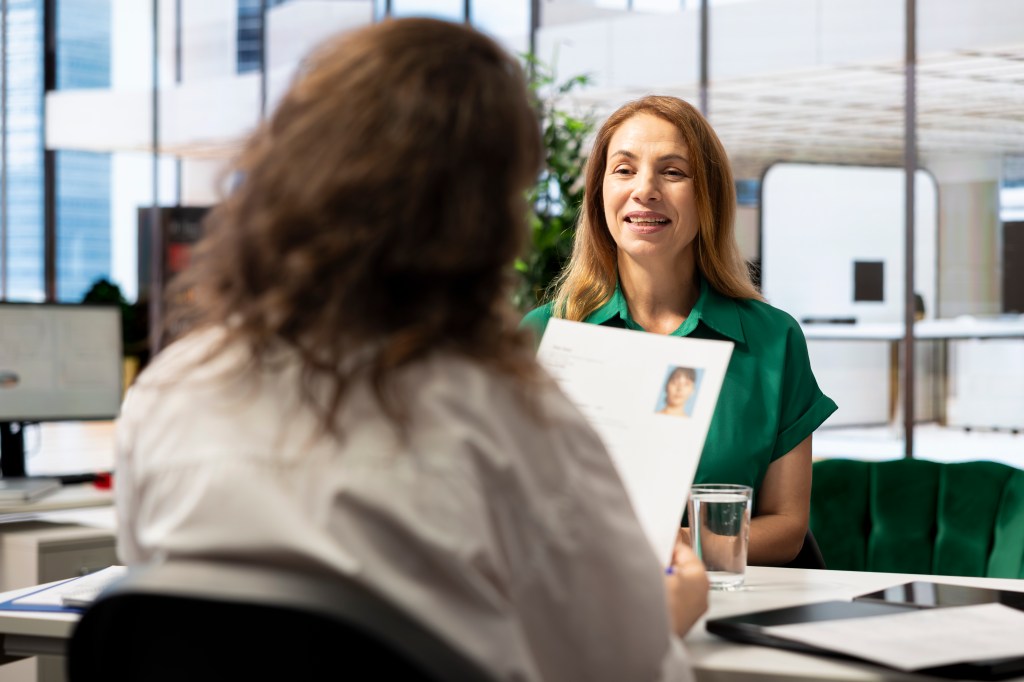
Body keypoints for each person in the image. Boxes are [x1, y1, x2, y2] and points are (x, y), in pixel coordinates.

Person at [114, 19, 708, 682]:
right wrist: (668, 622)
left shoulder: (169, 394)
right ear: (485, 217)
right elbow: (621, 672)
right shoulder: (519, 422)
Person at [521, 95, 838, 567]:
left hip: (730, 604)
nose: (644, 189)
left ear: (707, 196)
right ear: (598, 194)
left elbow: (787, 529)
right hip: (579, 604)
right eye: (623, 170)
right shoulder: (545, 336)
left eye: (672, 172)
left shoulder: (774, 339)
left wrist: (665, 548)